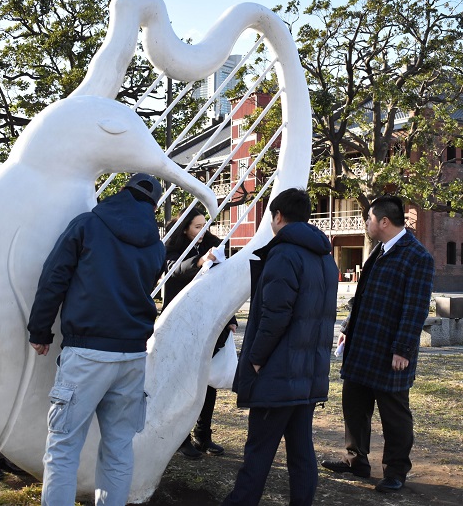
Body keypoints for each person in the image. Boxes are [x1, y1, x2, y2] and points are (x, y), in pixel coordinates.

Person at [26, 173, 165, 506]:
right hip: (133, 356)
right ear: (154, 206)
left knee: (63, 447)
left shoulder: (87, 225)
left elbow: (54, 277)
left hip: (88, 352)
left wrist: (40, 330)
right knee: (119, 448)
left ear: (122, 192)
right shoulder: (155, 245)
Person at [222, 187, 338, 506]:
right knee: (301, 452)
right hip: (308, 373)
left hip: (278, 372)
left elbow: (275, 315)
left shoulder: (284, 254)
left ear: (278, 216)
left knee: (258, 452)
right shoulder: (325, 259)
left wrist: (255, 359)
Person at [321, 195, 434, 494]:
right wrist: (347, 329)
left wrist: (403, 349)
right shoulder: (379, 249)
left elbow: (415, 308)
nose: (366, 223)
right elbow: (363, 295)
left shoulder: (417, 256)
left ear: (384, 221)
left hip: (390, 351)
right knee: (354, 406)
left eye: (369, 218)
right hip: (363, 345)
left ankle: (395, 471)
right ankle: (355, 460)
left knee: (394, 415)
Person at [162, 208, 238, 459]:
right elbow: (174, 268)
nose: (202, 230)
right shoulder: (172, 247)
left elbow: (223, 284)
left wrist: (230, 318)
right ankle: (180, 438)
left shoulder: (214, 245)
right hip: (181, 322)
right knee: (183, 381)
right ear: (185, 228)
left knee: (208, 379)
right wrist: (199, 261)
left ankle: (203, 434)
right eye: (197, 226)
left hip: (209, 320)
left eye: (205, 225)